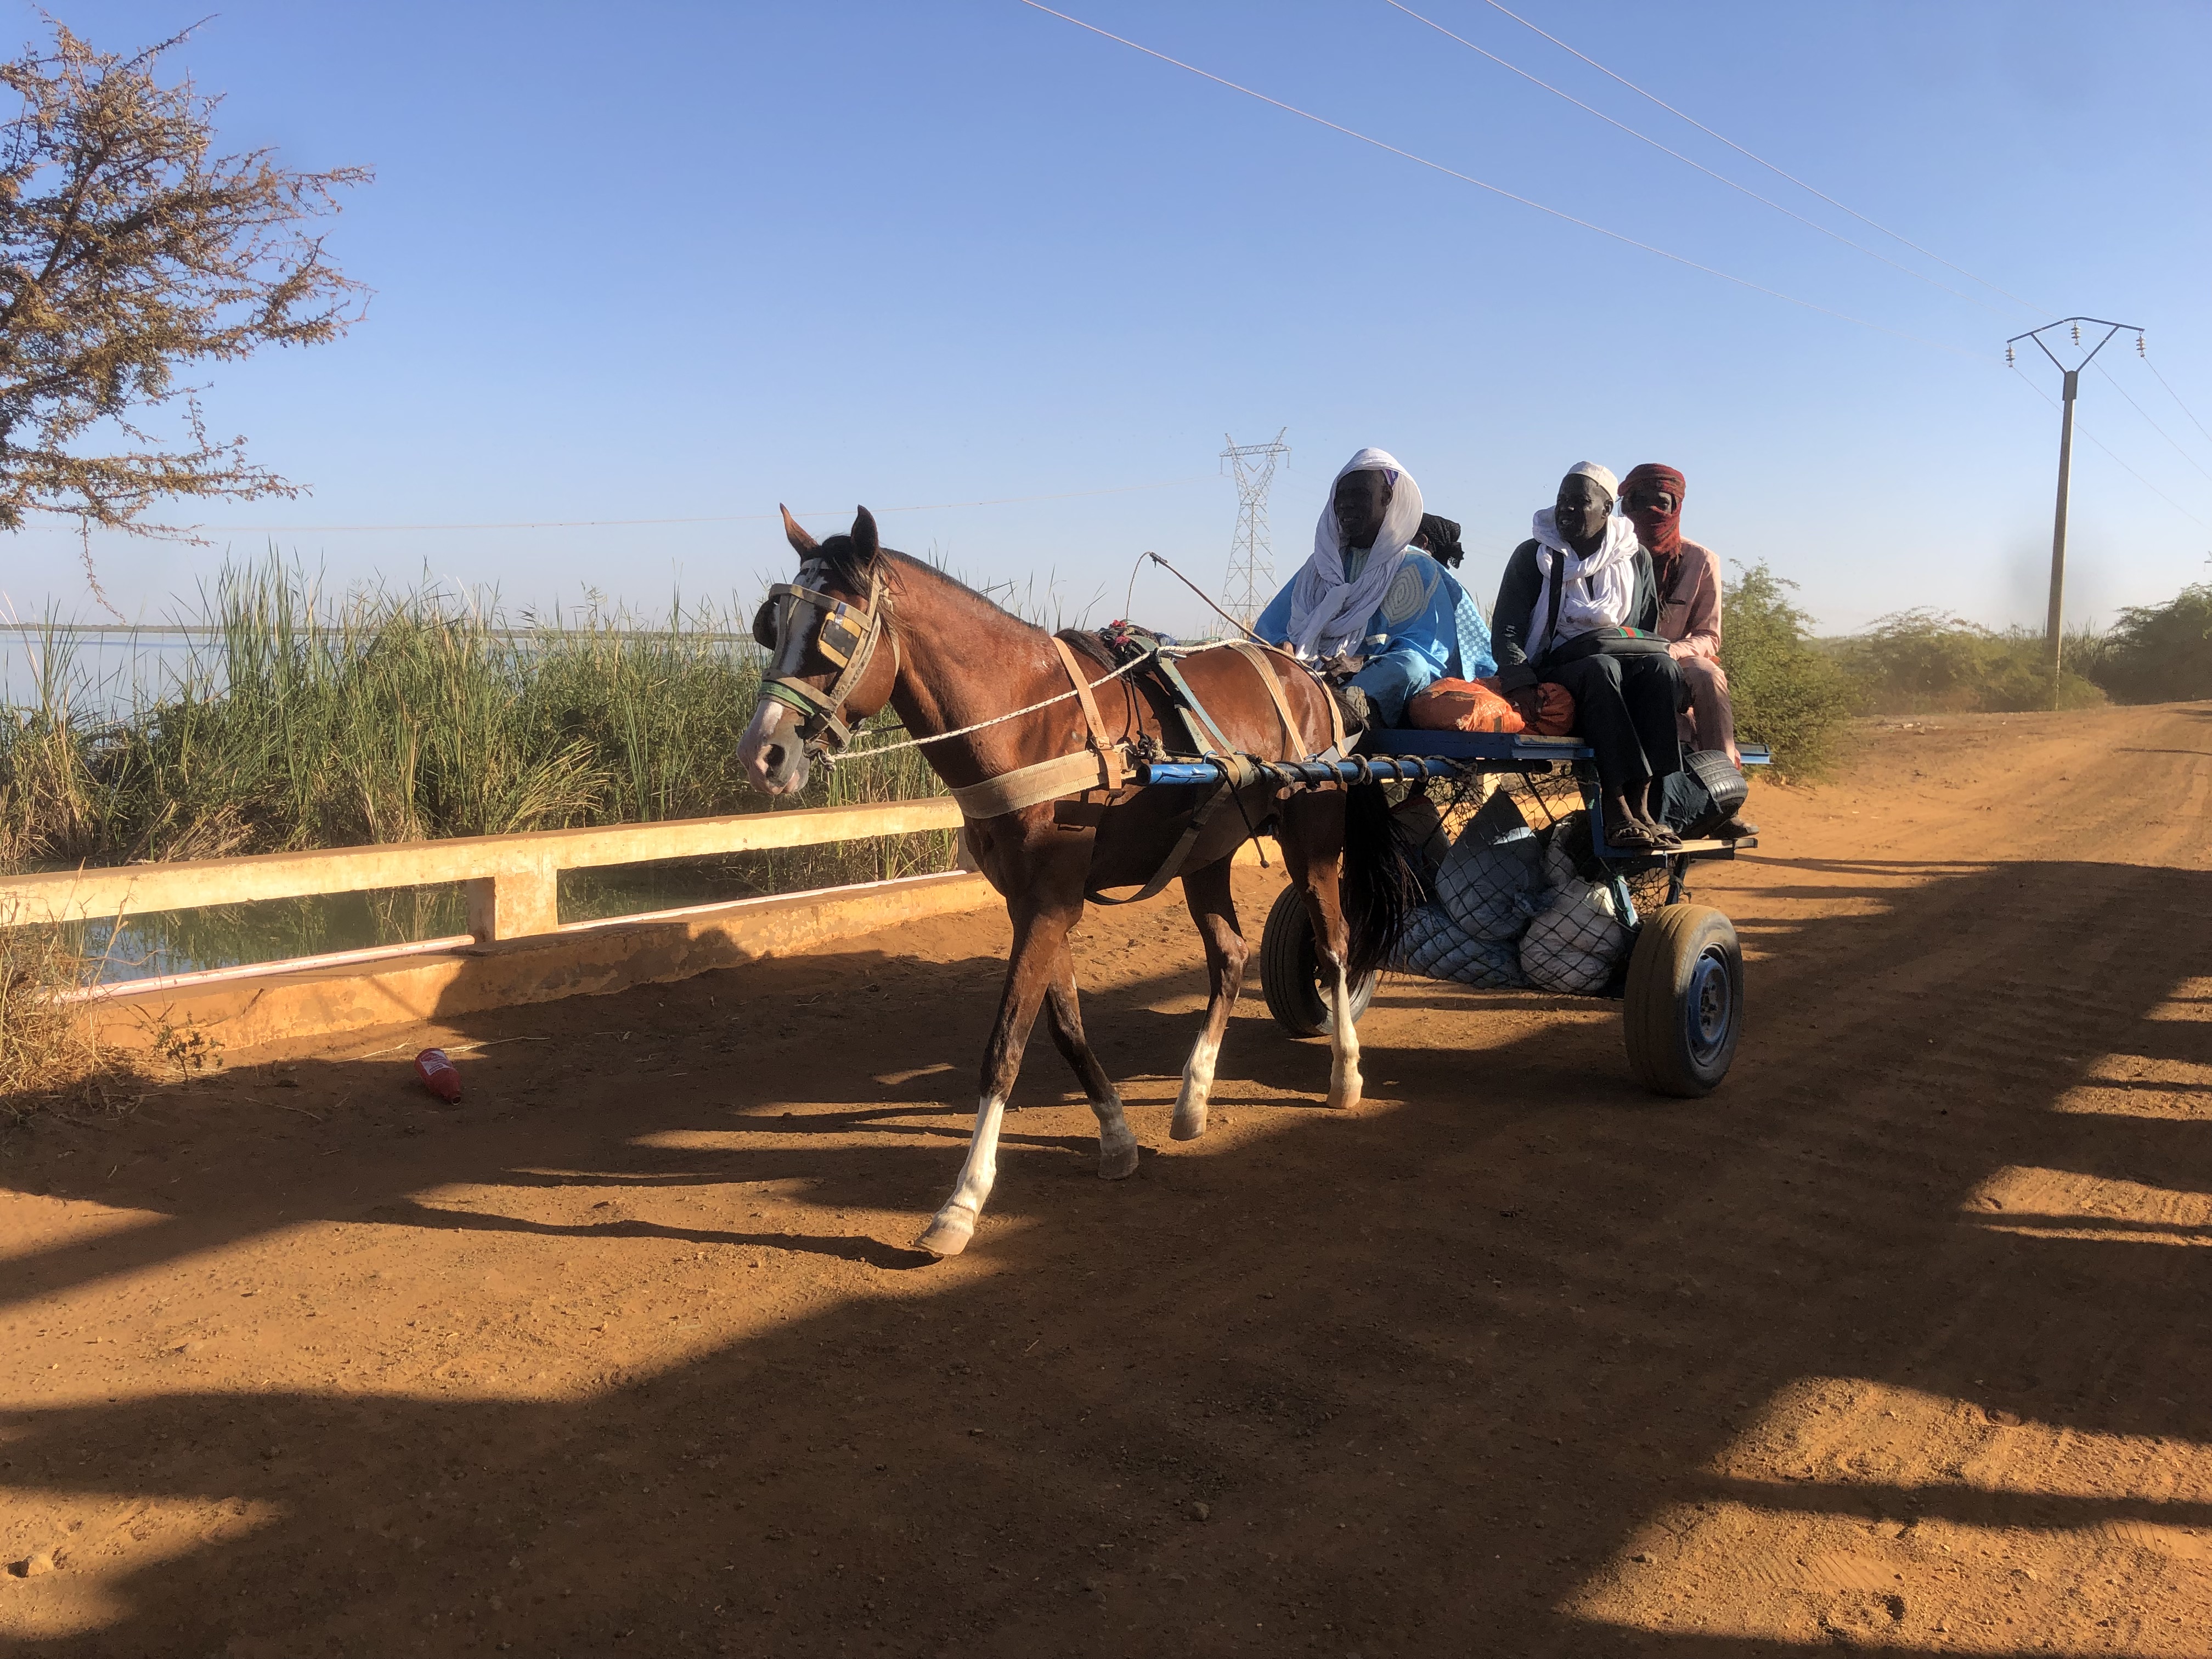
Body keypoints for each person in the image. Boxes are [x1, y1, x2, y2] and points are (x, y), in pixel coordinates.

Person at [1491, 462, 1685, 850]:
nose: (1566, 510)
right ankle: (1614, 806)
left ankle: (1642, 806)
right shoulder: (1535, 556)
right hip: (1555, 667)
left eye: (1579, 503)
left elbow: (1643, 628)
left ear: (1607, 509)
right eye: (1562, 501)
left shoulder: (1635, 558)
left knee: (1663, 667)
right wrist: (1522, 681)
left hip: (1618, 659)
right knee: (1601, 668)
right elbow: (1507, 630)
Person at [1255, 448, 1493, 730]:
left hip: (1371, 677)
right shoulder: (1316, 570)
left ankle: (1342, 721)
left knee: (1408, 667)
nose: (1346, 505)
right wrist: (1284, 648)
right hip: (1307, 673)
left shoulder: (1417, 569)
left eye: (1358, 495)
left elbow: (1428, 652)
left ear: (1387, 499)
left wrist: (1360, 663)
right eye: (1340, 496)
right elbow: (1269, 632)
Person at [1620, 461, 1754, 839]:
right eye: (1638, 501)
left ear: (1676, 506)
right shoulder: (1612, 560)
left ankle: (1726, 801)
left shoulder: (1701, 561)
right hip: (1619, 662)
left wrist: (1667, 652)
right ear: (1624, 507)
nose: (1650, 512)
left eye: (1660, 502)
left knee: (1709, 674)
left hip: (1677, 665)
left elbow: (1709, 637)